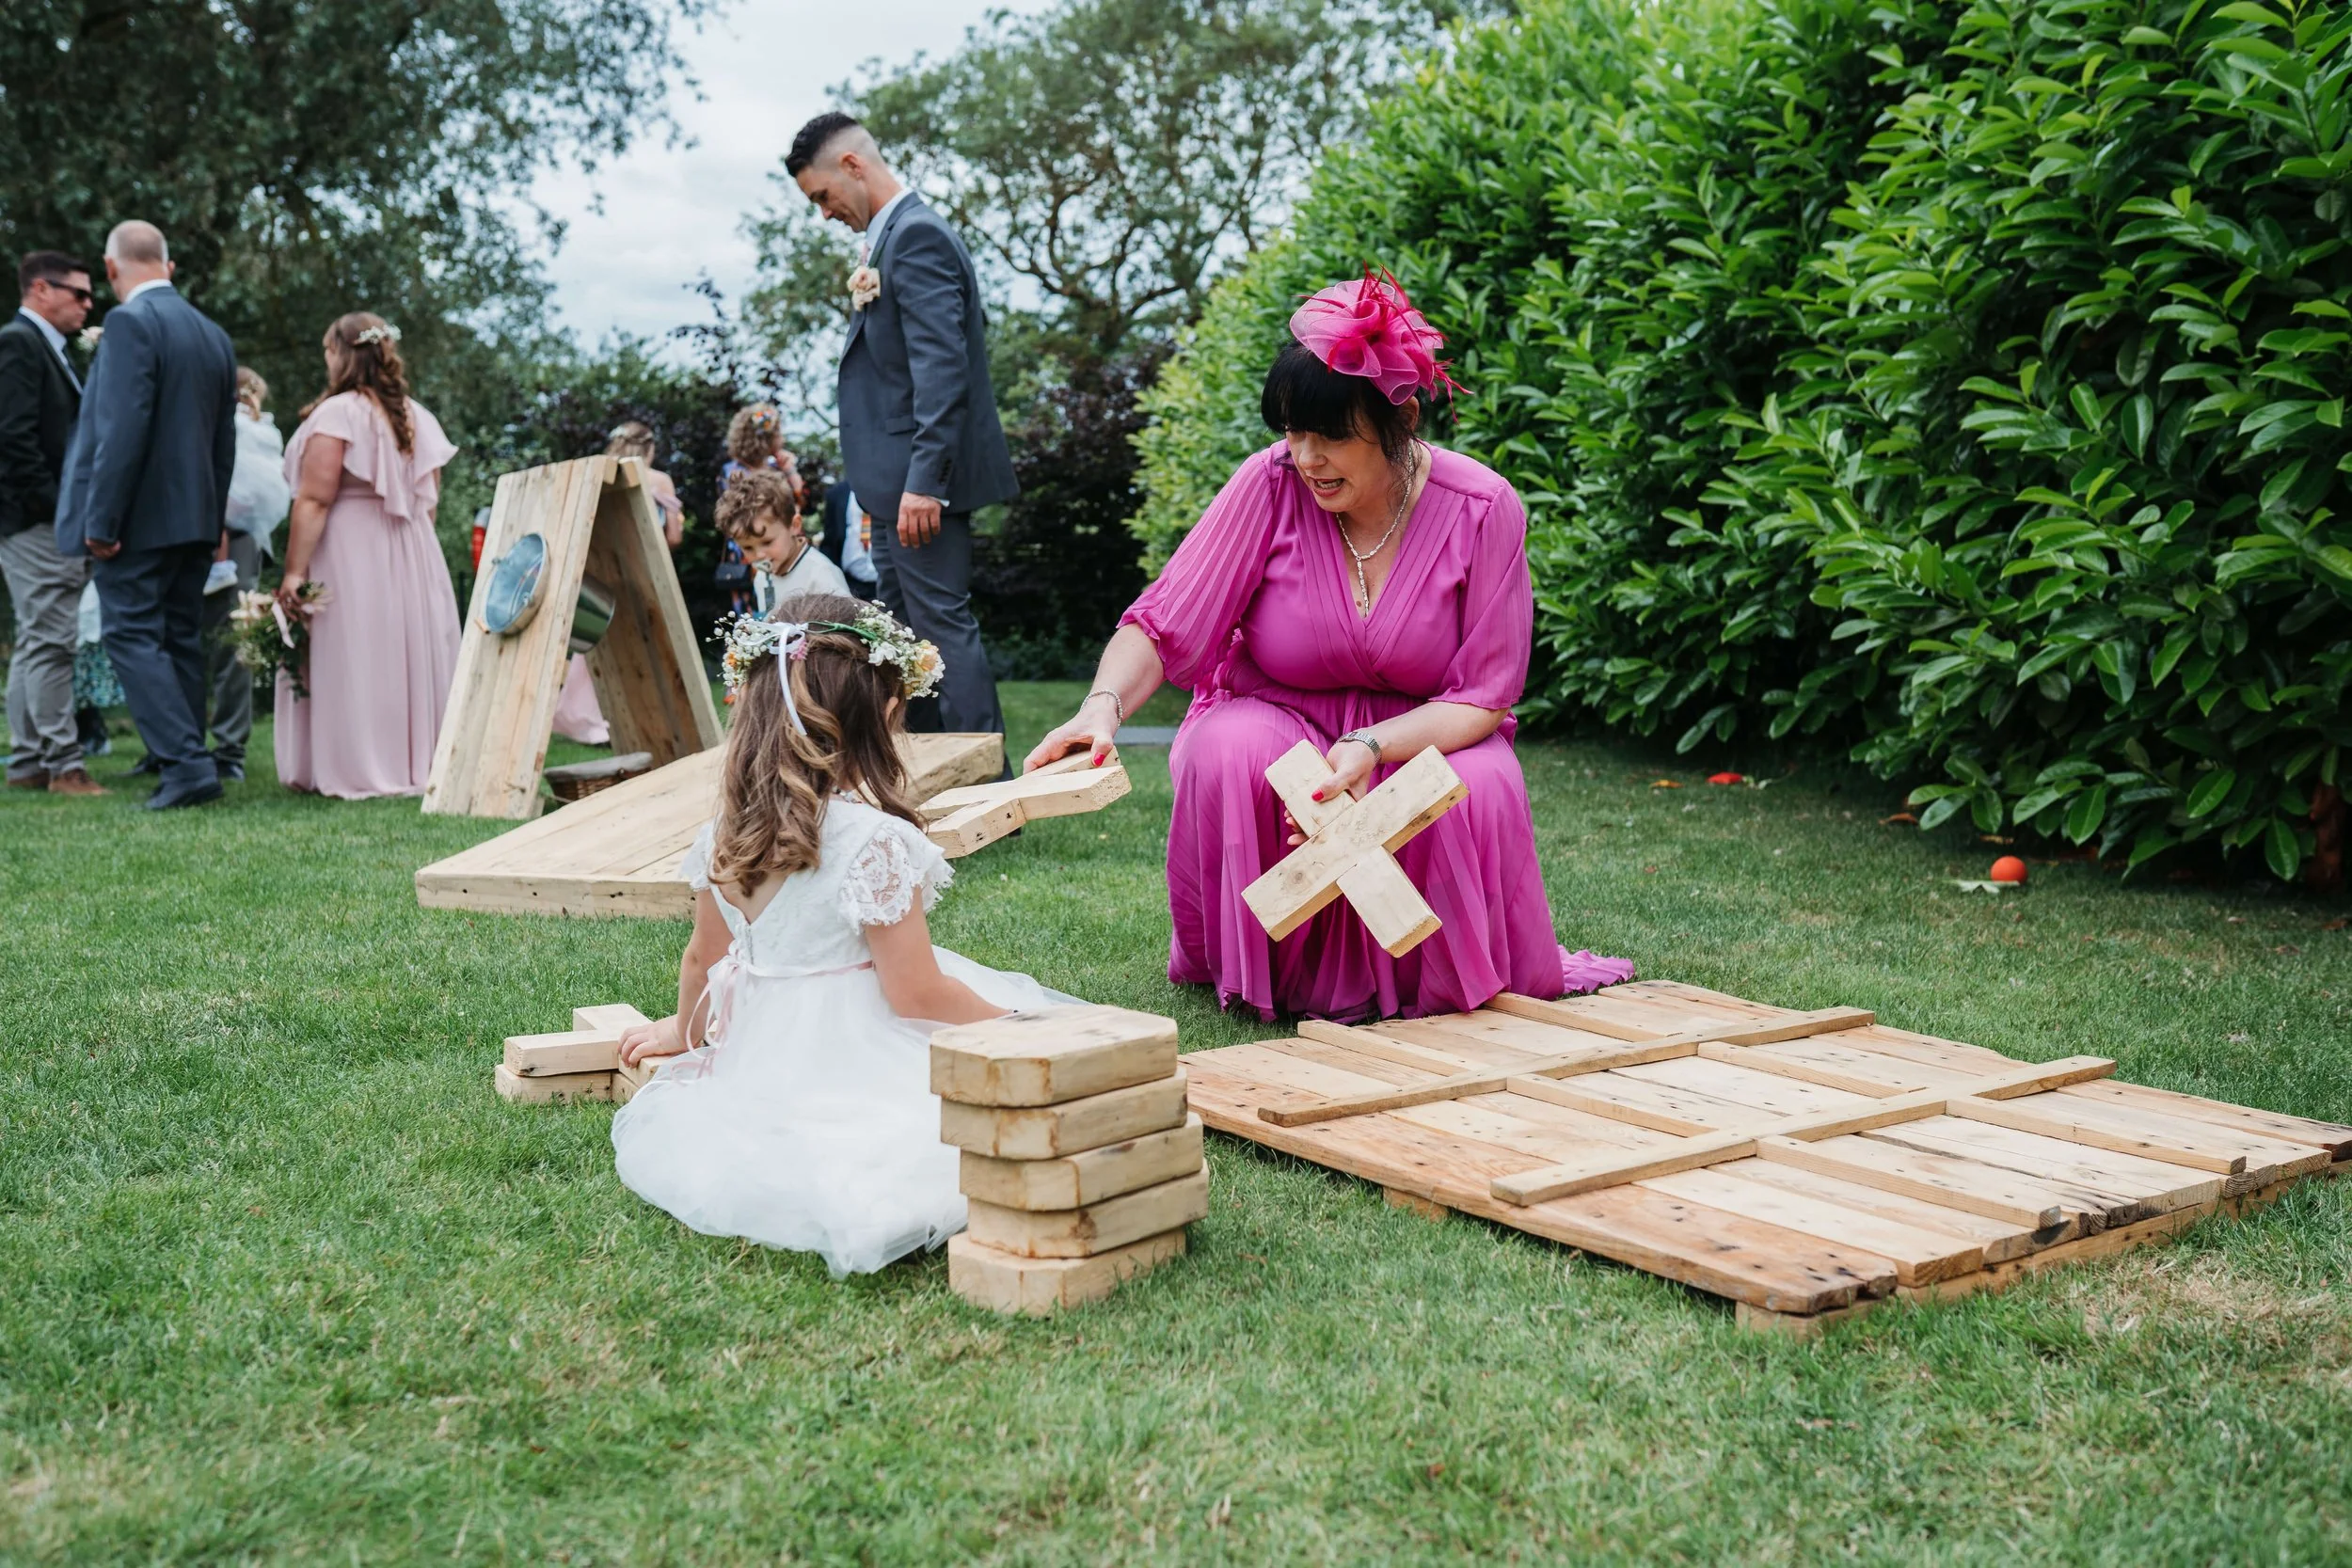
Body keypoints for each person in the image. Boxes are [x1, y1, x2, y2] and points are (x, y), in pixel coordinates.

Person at [1027, 271, 1634, 1022]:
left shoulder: (1485, 508)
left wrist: (1373, 745)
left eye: (1332, 434)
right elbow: (1163, 622)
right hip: (1276, 709)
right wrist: (1102, 706)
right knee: (1231, 751)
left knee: (1479, 785)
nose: (1306, 456)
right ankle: (1271, 976)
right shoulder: (1269, 483)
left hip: (1422, 728)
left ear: (1402, 419)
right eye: (1292, 429)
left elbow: (1485, 694)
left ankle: (1430, 979)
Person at [610, 594, 1074, 1275]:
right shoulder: (875, 840)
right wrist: (1016, 1023)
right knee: (938, 1132)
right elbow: (915, 993)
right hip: (853, 1044)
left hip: (764, 1054)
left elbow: (703, 958)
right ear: (883, 716)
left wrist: (683, 1035)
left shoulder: (723, 835)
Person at [789, 111, 1013, 741]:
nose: (825, 213)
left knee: (939, 628)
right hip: (893, 489)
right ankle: (923, 770)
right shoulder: (890, 241)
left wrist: (926, 482)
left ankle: (988, 783)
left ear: (853, 166)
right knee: (902, 637)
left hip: (919, 490)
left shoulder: (917, 237)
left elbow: (943, 370)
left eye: (823, 196)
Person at [53, 222, 239, 810]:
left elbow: (122, 430)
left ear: (111, 269)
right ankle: (179, 754)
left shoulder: (131, 323)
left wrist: (101, 521)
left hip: (138, 520)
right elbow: (223, 442)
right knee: (179, 635)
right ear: (169, 265)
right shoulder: (213, 334)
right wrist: (215, 521)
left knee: (131, 634)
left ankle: (186, 767)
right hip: (195, 518)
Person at [273, 312, 460, 799]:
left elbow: (314, 499)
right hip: (413, 549)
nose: (327, 360)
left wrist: (294, 573)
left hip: (351, 550)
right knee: (399, 653)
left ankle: (357, 764)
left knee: (354, 652)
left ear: (342, 353)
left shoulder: (337, 414)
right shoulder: (417, 415)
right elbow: (430, 500)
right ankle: (410, 761)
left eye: (328, 351)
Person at [0, 250, 103, 795]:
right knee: (53, 640)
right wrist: (59, 510)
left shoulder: (53, 350)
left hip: (35, 521)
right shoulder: (18, 343)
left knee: (35, 639)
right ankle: (63, 765)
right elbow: (14, 439)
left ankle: (26, 762)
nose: (89, 304)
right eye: (78, 293)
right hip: (36, 522)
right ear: (40, 289)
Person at [194, 366, 290, 782]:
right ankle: (209, 747)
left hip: (230, 540)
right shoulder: (254, 431)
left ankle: (223, 748)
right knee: (226, 646)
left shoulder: (244, 433)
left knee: (232, 644)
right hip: (223, 540)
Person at [721, 467, 850, 613]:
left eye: (767, 542)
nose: (759, 555)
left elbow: (844, 631)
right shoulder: (762, 577)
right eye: (748, 548)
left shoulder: (821, 575)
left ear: (794, 525)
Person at [716, 404, 802, 617]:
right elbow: (736, 513)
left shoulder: (775, 467)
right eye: (778, 433)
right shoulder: (734, 471)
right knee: (756, 603)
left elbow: (798, 496)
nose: (781, 438)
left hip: (778, 540)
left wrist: (789, 468)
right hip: (750, 546)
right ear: (765, 437)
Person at [817, 480, 881, 598]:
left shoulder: (895, 489)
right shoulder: (837, 493)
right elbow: (830, 542)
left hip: (889, 584)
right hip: (850, 585)